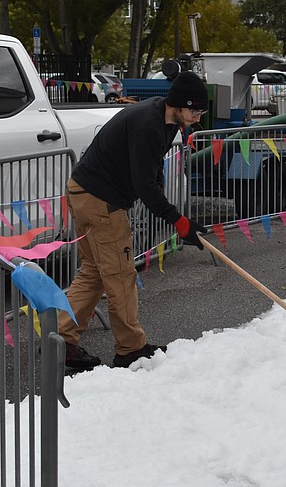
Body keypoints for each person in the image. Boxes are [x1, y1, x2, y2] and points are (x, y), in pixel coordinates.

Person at [60, 71, 209, 370]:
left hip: (85, 191)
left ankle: (60, 341)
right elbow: (144, 186)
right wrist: (178, 222)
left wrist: (172, 213)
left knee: (94, 272)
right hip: (100, 200)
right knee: (121, 275)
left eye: (200, 112)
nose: (197, 117)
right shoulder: (148, 126)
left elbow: (153, 172)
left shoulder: (168, 122)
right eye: (195, 110)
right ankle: (130, 349)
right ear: (180, 104)